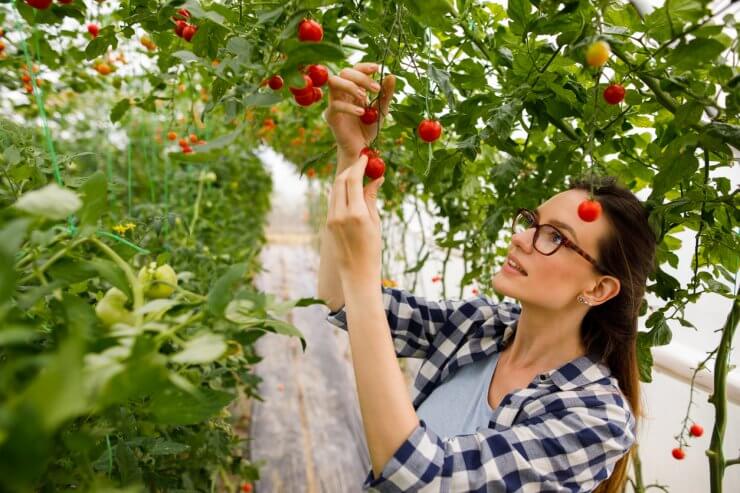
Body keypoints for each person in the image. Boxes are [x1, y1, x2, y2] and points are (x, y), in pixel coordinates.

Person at [318, 62, 657, 492]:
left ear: (598, 287)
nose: (520, 238)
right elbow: (339, 299)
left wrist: (364, 272)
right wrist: (352, 156)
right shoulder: (482, 327)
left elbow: (424, 477)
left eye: (554, 237)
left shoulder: (595, 417)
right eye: (531, 222)